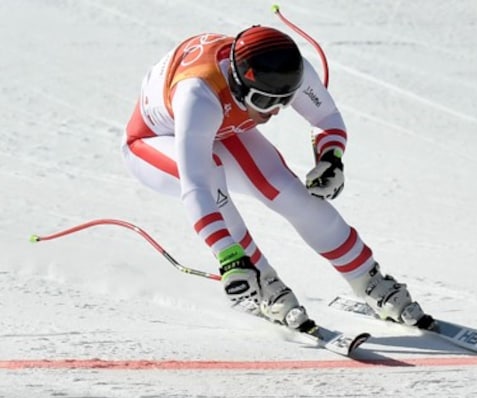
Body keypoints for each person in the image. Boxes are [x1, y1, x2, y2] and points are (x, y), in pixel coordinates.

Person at [121, 26, 428, 332]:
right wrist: (228, 256)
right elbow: (196, 186)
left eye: (285, 101)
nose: (275, 112)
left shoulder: (289, 68)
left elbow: (326, 117)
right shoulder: (197, 95)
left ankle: (368, 279)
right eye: (265, 102)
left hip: (221, 125)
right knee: (211, 174)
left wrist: (330, 159)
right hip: (153, 141)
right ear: (241, 85)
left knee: (286, 190)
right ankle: (262, 282)